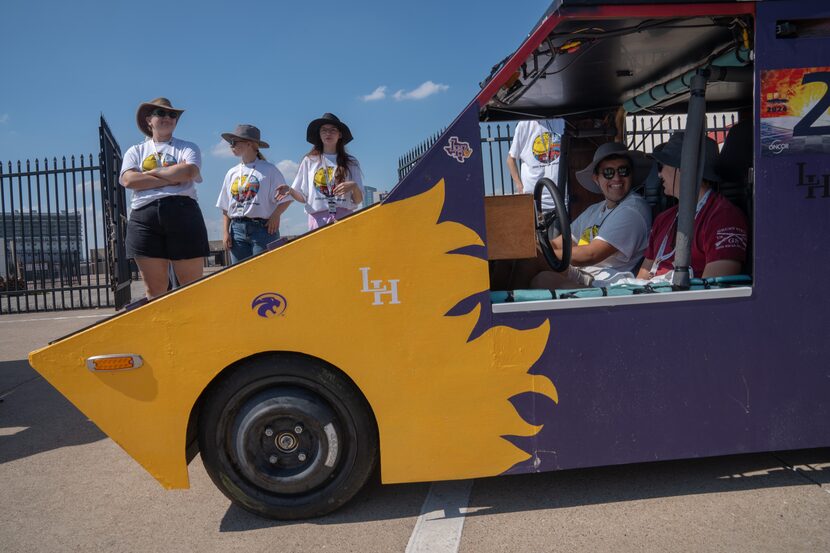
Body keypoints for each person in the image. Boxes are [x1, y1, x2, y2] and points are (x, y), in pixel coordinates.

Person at [530, 142, 652, 290]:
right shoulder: (595, 209)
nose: (617, 178)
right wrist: (535, 247)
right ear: (596, 179)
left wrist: (542, 255)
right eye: (608, 172)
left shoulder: (633, 210)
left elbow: (591, 254)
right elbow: (562, 243)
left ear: (631, 174)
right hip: (585, 275)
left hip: (606, 283)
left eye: (623, 171)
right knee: (526, 259)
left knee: (538, 273)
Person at [120, 97, 209, 299]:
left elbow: (188, 171)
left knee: (192, 288)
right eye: (161, 113)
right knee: (155, 290)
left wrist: (147, 176)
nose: (167, 117)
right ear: (148, 120)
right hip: (144, 218)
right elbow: (128, 180)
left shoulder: (188, 147)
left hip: (183, 213)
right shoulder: (135, 151)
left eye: (172, 114)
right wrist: (170, 177)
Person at [636, 133, 748, 279]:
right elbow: (642, 278)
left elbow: (714, 291)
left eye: (661, 166)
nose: (659, 174)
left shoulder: (724, 218)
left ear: (684, 168)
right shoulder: (663, 219)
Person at [216, 124, 291, 264]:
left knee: (264, 274)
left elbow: (286, 197)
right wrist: (226, 232)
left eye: (234, 142)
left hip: (263, 229)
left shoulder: (269, 170)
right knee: (241, 277)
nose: (231, 145)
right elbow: (226, 207)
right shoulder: (231, 172)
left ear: (249, 144)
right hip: (237, 229)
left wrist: (275, 215)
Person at [277, 113, 364, 230]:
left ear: (340, 135)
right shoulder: (309, 160)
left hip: (345, 218)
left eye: (333, 130)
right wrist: (290, 190)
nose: (328, 133)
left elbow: (358, 200)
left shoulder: (351, 162)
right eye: (324, 130)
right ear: (319, 134)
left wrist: (354, 186)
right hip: (317, 220)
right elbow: (303, 198)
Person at [507, 118, 565, 209]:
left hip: (561, 200)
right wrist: (520, 186)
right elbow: (510, 160)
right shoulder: (524, 125)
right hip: (534, 202)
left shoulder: (560, 121)